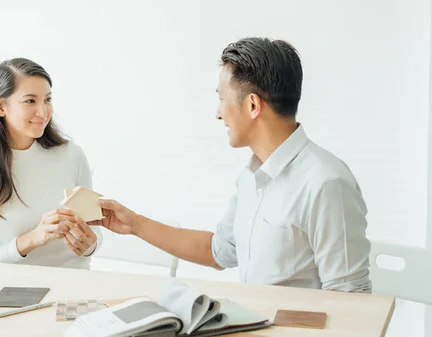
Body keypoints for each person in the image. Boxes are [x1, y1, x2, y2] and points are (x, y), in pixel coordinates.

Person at [96, 37, 372, 292]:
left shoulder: (326, 183)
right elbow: (220, 251)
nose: (218, 113)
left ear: (252, 105)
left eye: (221, 98)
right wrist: (134, 224)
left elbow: (350, 300)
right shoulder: (252, 176)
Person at [0, 58, 101, 269]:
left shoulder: (72, 155)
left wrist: (89, 244)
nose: (43, 112)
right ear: (0, 106)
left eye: (47, 99)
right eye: (30, 101)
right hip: (14, 294)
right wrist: (31, 240)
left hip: (75, 293)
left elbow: (95, 237)